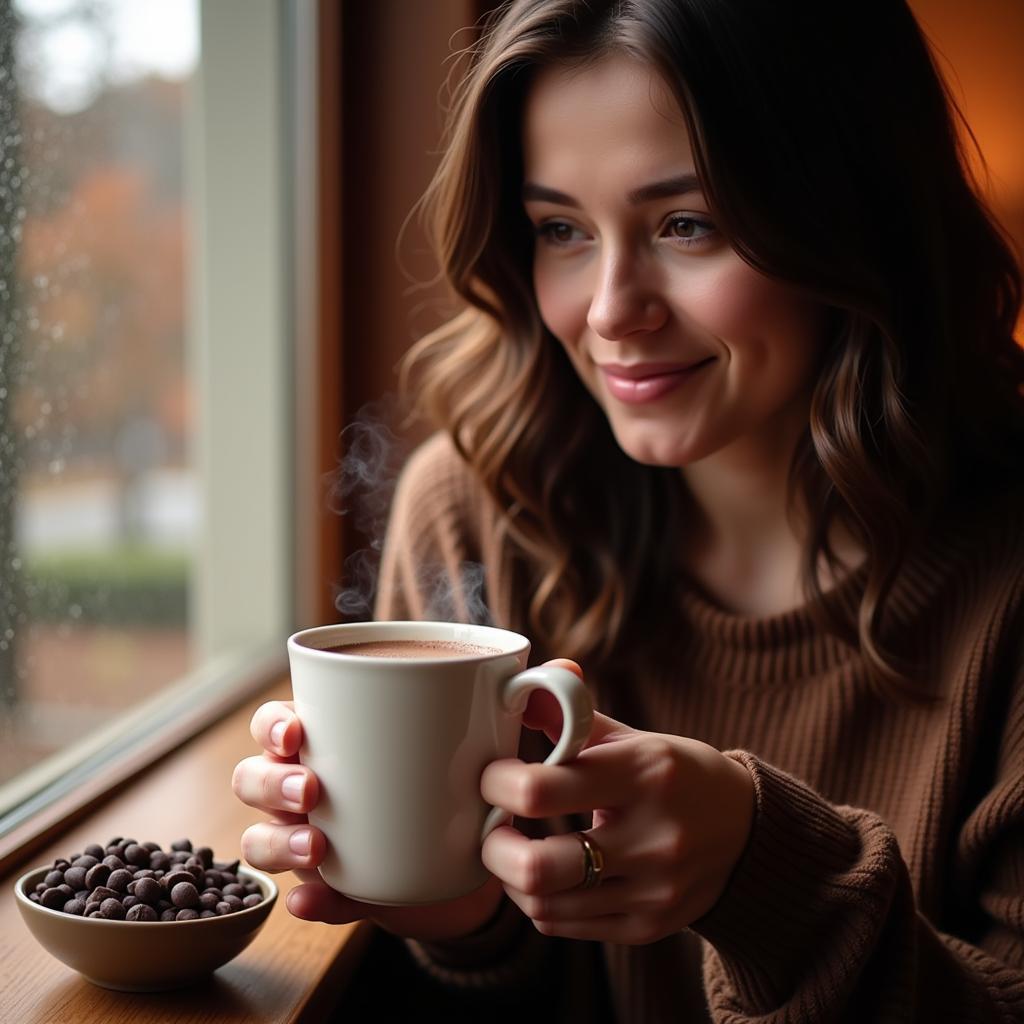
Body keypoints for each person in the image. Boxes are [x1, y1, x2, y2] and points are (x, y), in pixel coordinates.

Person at [231, 0, 1024, 1019]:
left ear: (854, 215)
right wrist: (464, 914)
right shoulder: (477, 506)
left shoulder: (1001, 576)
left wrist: (768, 878)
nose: (609, 310)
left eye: (686, 224)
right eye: (559, 228)